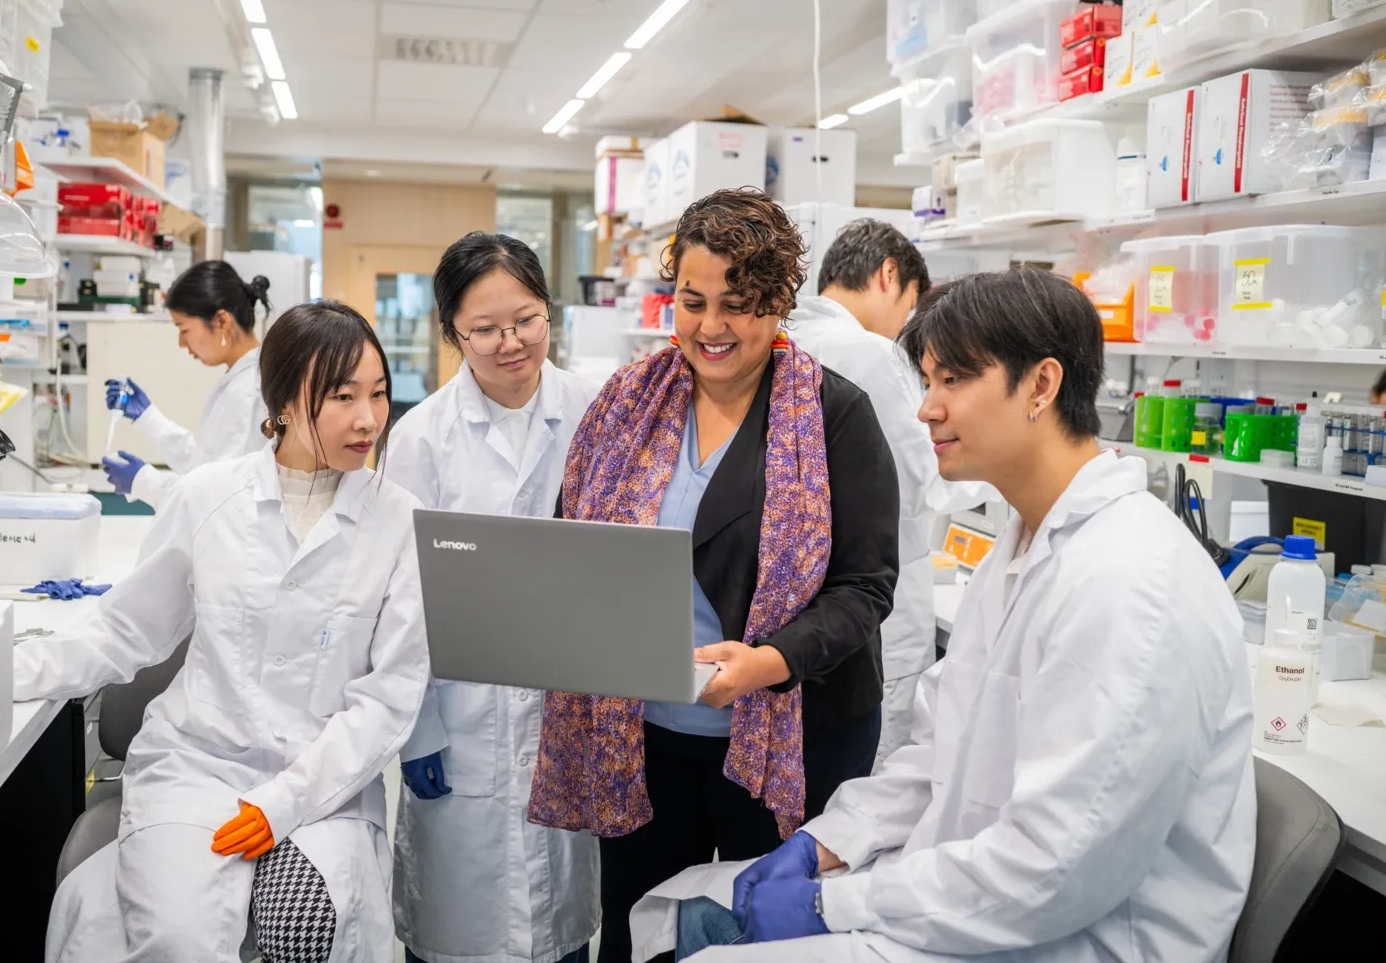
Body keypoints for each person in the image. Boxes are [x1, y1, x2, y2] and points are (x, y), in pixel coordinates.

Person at [660, 269, 1256, 962]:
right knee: (682, 908)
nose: (926, 409)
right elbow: (939, 750)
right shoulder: (1024, 546)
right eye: (928, 380)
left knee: (711, 953)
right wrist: (825, 843)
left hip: (1079, 936)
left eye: (955, 381)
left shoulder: (1130, 582)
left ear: (1041, 385)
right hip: (982, 897)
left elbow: (1054, 871)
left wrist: (835, 902)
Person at [528, 188, 901, 963]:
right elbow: (574, 547)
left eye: (737, 304)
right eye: (692, 302)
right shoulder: (628, 404)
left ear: (777, 303)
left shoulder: (834, 415)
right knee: (640, 928)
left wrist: (769, 661)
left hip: (788, 741)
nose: (710, 327)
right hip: (644, 739)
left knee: (754, 935)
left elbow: (866, 588)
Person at [17, 301, 431, 962]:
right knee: (180, 940)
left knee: (304, 934)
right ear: (286, 402)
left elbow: (388, 697)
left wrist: (284, 802)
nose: (369, 418)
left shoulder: (400, 520)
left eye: (378, 394)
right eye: (343, 396)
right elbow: (124, 630)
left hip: (320, 782)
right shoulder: (208, 498)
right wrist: (7, 674)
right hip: (197, 767)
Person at [385, 232, 600, 963]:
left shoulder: (595, 412)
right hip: (461, 714)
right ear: (453, 334)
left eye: (527, 319)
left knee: (564, 929)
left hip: (569, 712)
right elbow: (400, 599)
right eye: (485, 329)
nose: (511, 343)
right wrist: (416, 730)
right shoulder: (422, 439)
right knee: (458, 933)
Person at [787, 219, 991, 766]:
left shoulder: (786, 336)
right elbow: (920, 480)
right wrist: (1000, 465)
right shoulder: (872, 354)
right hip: (875, 613)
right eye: (914, 306)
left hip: (800, 616)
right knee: (871, 794)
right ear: (889, 273)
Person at [101, 260, 271, 508]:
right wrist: (149, 418)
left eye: (183, 328)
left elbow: (220, 498)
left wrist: (145, 481)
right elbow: (207, 465)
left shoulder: (250, 390)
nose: (181, 343)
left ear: (222, 321)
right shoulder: (240, 380)